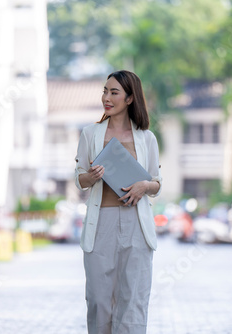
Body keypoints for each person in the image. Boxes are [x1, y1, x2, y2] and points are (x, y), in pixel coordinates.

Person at [74, 70, 162, 334]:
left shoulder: (147, 138)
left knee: (133, 299)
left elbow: (157, 183)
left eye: (114, 93)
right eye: (105, 91)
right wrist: (91, 175)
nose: (106, 98)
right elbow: (80, 180)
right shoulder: (90, 134)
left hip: (136, 224)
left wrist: (144, 185)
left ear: (130, 98)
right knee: (99, 301)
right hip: (102, 223)